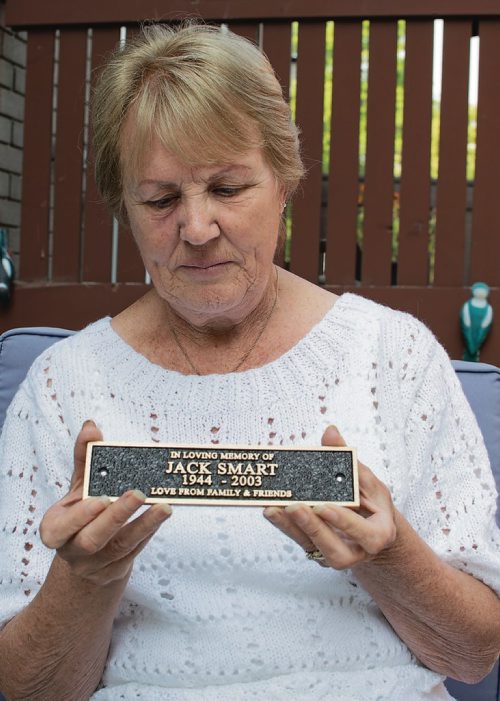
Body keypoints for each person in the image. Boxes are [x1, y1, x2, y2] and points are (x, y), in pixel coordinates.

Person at [0, 22, 498, 701]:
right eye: (161, 199)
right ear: (126, 208)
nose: (198, 229)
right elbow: (30, 689)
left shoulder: (395, 356)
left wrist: (390, 556)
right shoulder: (62, 385)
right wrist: (84, 579)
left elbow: (474, 655)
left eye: (229, 188)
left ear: (284, 181)